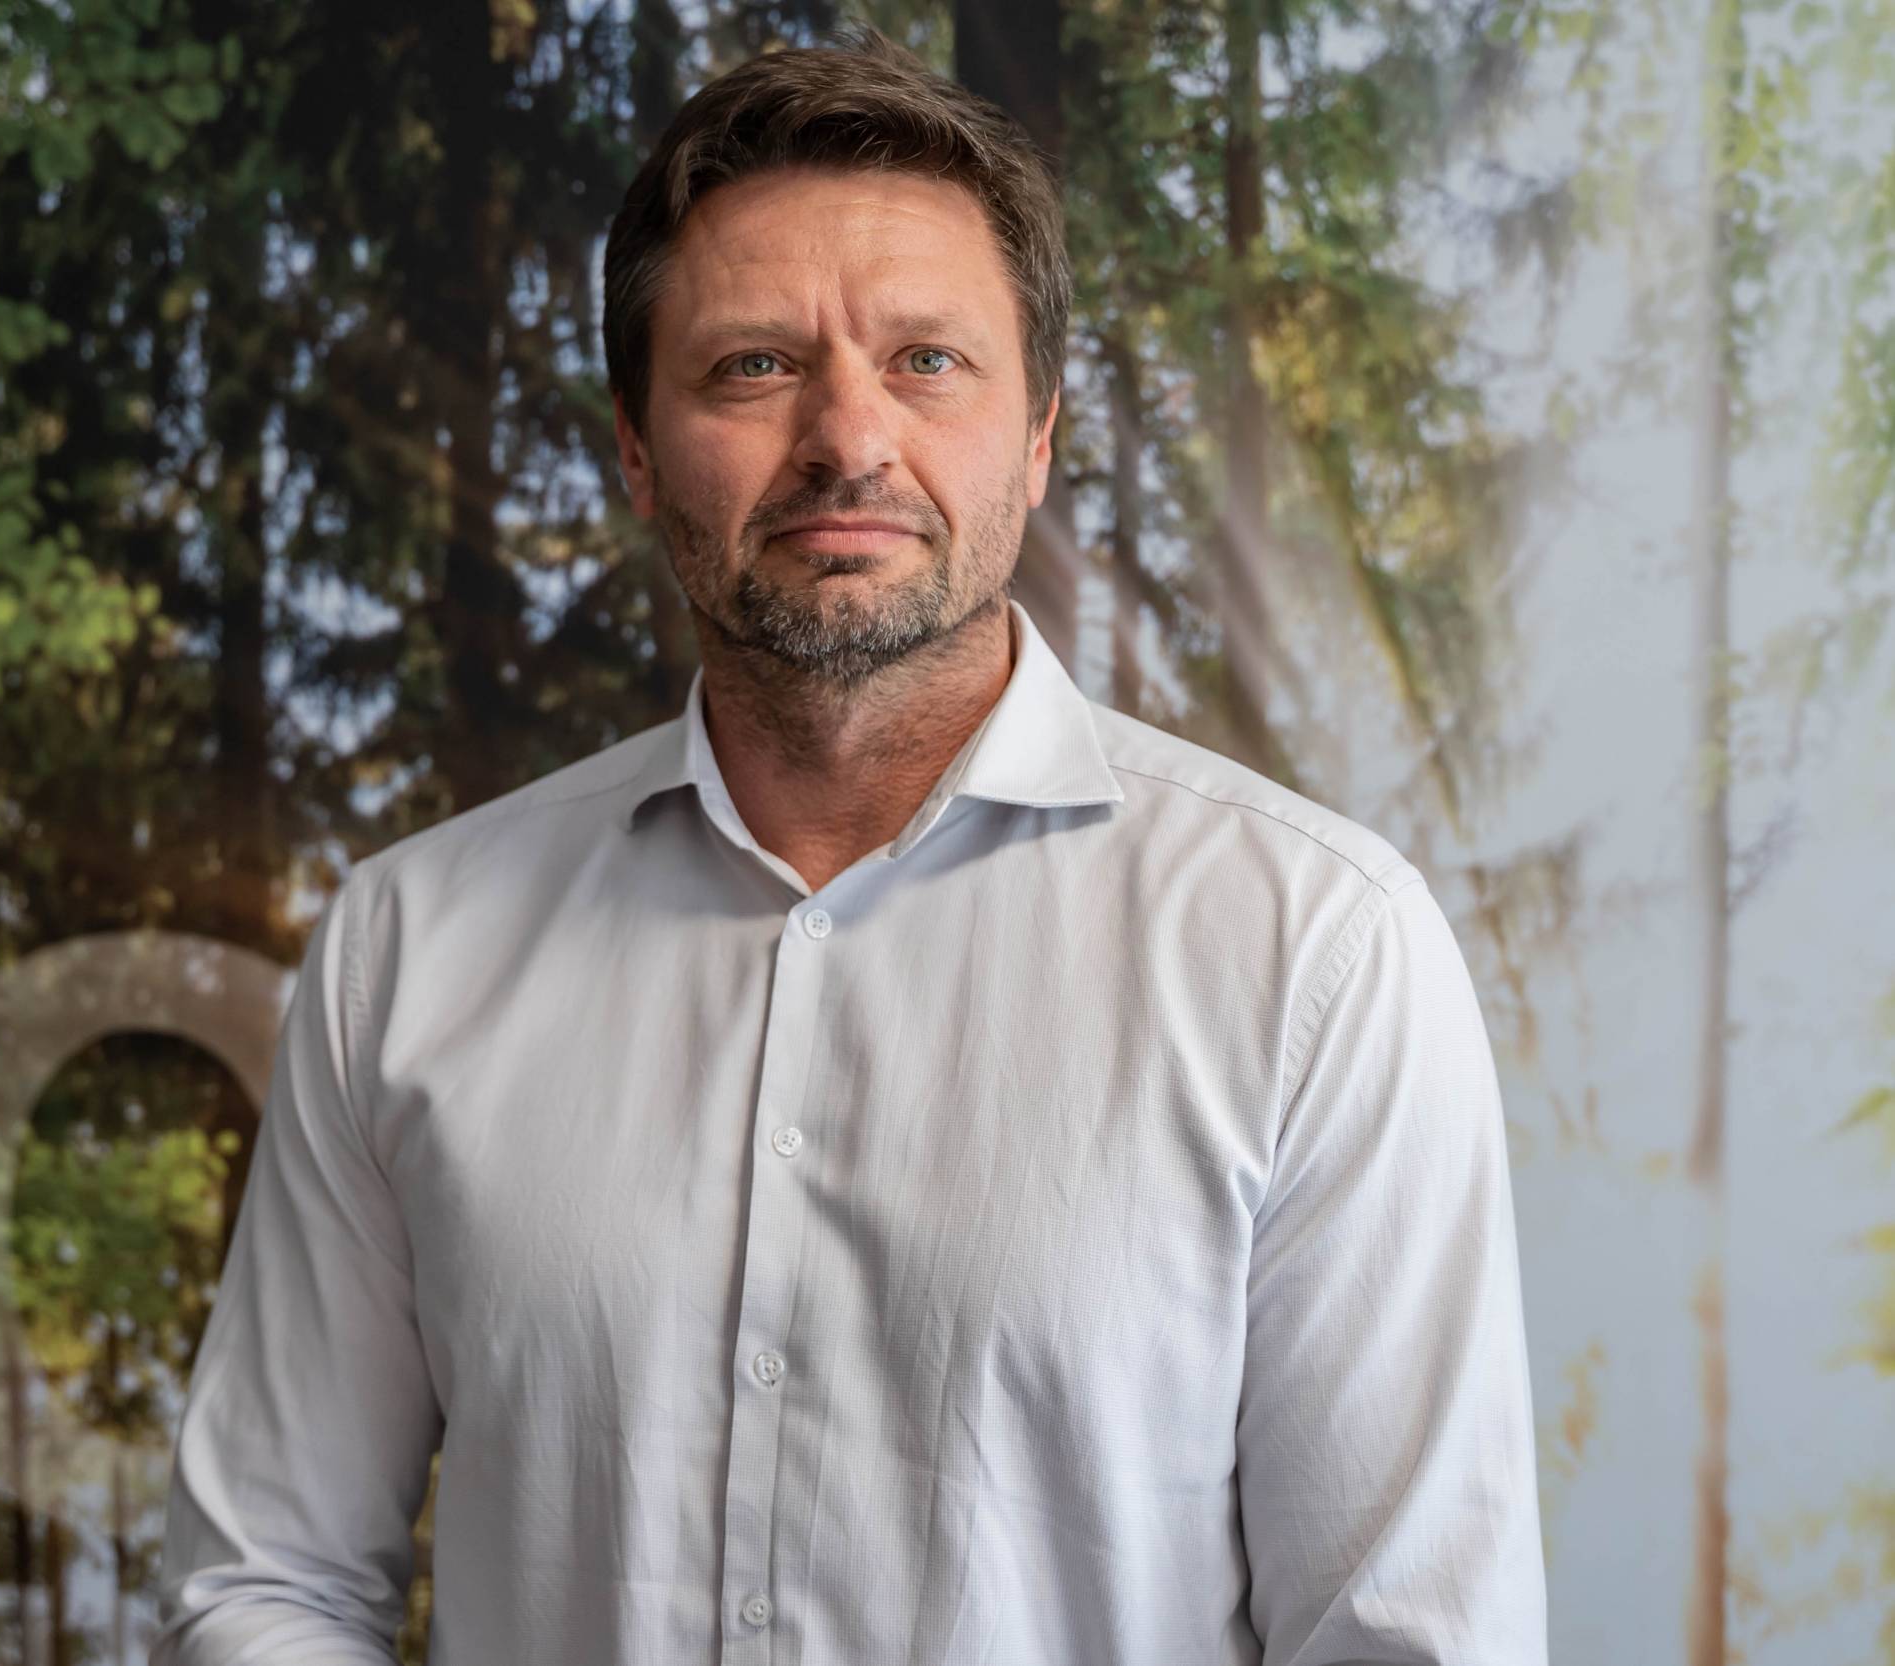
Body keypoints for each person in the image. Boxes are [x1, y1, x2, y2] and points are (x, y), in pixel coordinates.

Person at [153, 23, 1548, 1666]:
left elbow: (1407, 1640)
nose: (848, 437)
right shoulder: (407, 952)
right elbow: (266, 1584)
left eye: (928, 361)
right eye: (754, 365)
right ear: (634, 445)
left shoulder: (1316, 954)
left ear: (1039, 435)